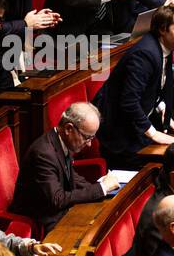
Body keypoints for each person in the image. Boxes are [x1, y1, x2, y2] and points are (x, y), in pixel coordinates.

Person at [93, 4, 174, 168]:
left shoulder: (165, 48)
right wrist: (154, 134)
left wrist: (163, 111)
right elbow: (129, 102)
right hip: (120, 137)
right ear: (162, 29)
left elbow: (154, 87)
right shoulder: (145, 54)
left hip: (135, 128)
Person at [12, 101, 115, 235]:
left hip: (59, 212)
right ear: (68, 129)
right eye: (86, 137)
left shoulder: (61, 141)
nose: (89, 144)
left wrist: (100, 187)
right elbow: (57, 199)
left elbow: (71, 176)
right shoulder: (43, 154)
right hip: (42, 221)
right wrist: (100, 189)